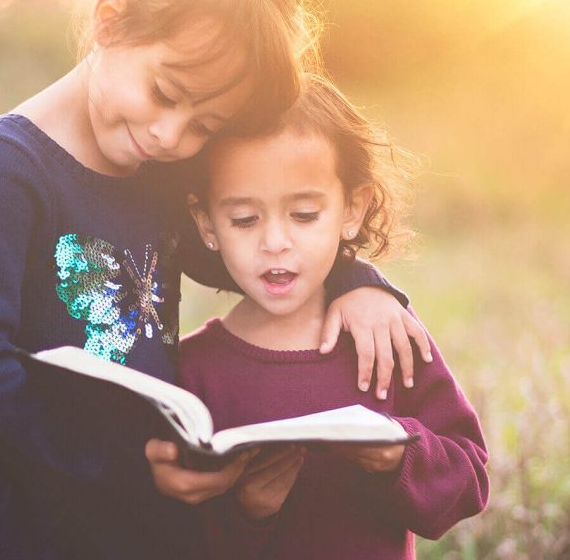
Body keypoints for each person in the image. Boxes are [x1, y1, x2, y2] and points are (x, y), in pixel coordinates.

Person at [0, 0, 432, 558]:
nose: (172, 135)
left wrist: (357, 283)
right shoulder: (3, 172)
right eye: (165, 94)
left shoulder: (154, 172)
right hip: (16, 514)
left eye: (204, 125)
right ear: (109, 21)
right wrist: (128, 465)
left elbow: (259, 260)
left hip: (128, 512)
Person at [178, 74, 490, 559]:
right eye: (244, 219)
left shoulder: (384, 335)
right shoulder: (193, 370)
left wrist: (399, 456)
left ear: (353, 209)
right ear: (207, 224)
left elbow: (469, 480)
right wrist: (246, 512)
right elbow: (169, 531)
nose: (275, 242)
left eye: (304, 215)